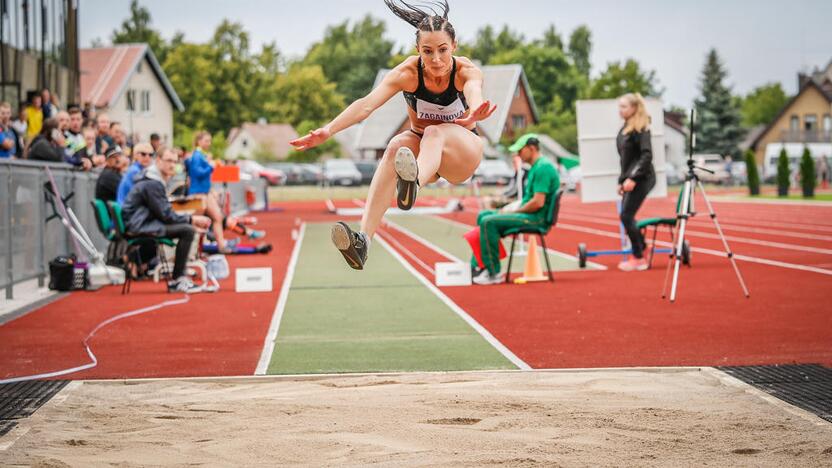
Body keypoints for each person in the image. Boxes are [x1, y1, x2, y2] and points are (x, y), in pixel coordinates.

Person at [290, 0, 496, 270]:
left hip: (461, 153)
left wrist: (475, 108)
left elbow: (474, 90)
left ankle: (412, 183)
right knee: (396, 145)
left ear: (454, 47)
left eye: (443, 50)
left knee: (435, 132)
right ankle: (363, 241)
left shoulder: (466, 71)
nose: (436, 59)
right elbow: (366, 105)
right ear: (418, 50)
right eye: (428, 51)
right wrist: (328, 130)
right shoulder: (408, 73)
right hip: (425, 156)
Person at [469, 134, 559, 285]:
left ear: (531, 148)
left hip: (537, 218)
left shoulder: (543, 168)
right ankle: (479, 265)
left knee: (488, 222)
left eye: (520, 151)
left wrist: (512, 212)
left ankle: (493, 272)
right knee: (483, 215)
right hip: (529, 214)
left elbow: (537, 203)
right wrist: (508, 208)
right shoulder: (536, 167)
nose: (517, 155)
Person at [121, 147, 212, 293]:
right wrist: (192, 220)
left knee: (186, 227)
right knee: (187, 231)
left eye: (175, 162)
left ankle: (177, 277)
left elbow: (164, 213)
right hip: (140, 225)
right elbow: (166, 215)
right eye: (168, 160)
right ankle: (177, 280)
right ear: (158, 160)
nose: (172, 165)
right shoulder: (153, 182)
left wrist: (189, 219)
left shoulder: (152, 178)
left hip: (141, 222)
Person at [616, 93, 656, 272]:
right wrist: (622, 180)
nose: (620, 110)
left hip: (643, 177)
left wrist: (633, 178)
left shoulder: (641, 129)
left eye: (624, 106)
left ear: (634, 108)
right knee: (626, 215)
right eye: (620, 106)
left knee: (626, 215)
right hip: (630, 178)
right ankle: (641, 247)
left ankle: (639, 257)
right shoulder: (625, 128)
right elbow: (625, 159)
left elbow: (646, 155)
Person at [185, 131, 229, 251]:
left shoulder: (202, 155)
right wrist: (211, 166)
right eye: (206, 141)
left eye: (210, 141)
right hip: (198, 193)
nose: (209, 143)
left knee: (217, 217)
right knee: (196, 222)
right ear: (199, 142)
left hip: (206, 192)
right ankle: (192, 251)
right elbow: (197, 173)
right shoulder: (196, 156)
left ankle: (221, 246)